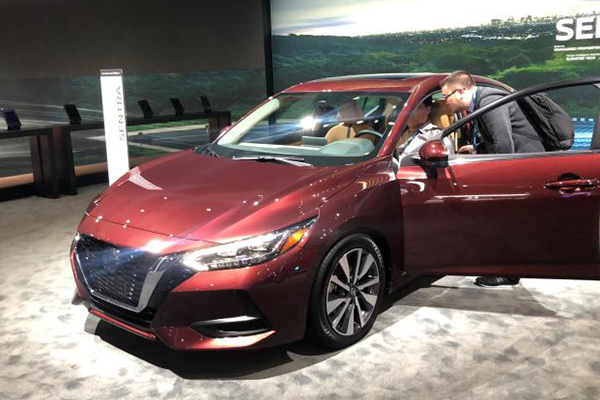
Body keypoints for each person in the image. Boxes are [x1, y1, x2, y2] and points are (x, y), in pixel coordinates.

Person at [440, 70, 544, 287]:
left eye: (446, 96)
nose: (445, 102)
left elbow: (503, 144)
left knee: (507, 220)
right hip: (520, 166)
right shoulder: (483, 101)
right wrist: (477, 149)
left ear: (461, 91)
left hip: (520, 169)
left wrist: (496, 183)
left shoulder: (489, 102)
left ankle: (508, 272)